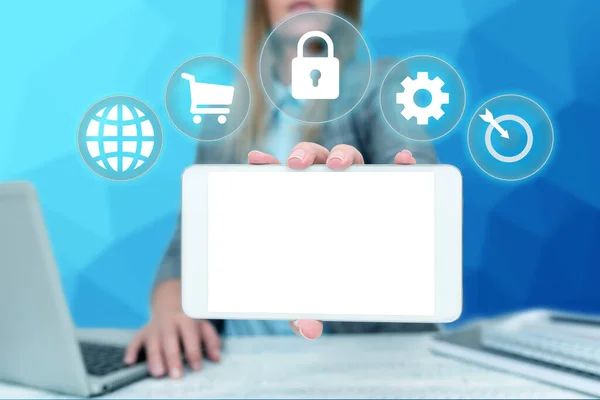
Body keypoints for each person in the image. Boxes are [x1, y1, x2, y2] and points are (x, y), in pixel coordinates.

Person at [125, 0, 439, 379]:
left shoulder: (380, 83)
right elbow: (185, 248)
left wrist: (368, 200)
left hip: (360, 364)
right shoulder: (225, 117)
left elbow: (422, 191)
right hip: (237, 363)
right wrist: (172, 313)